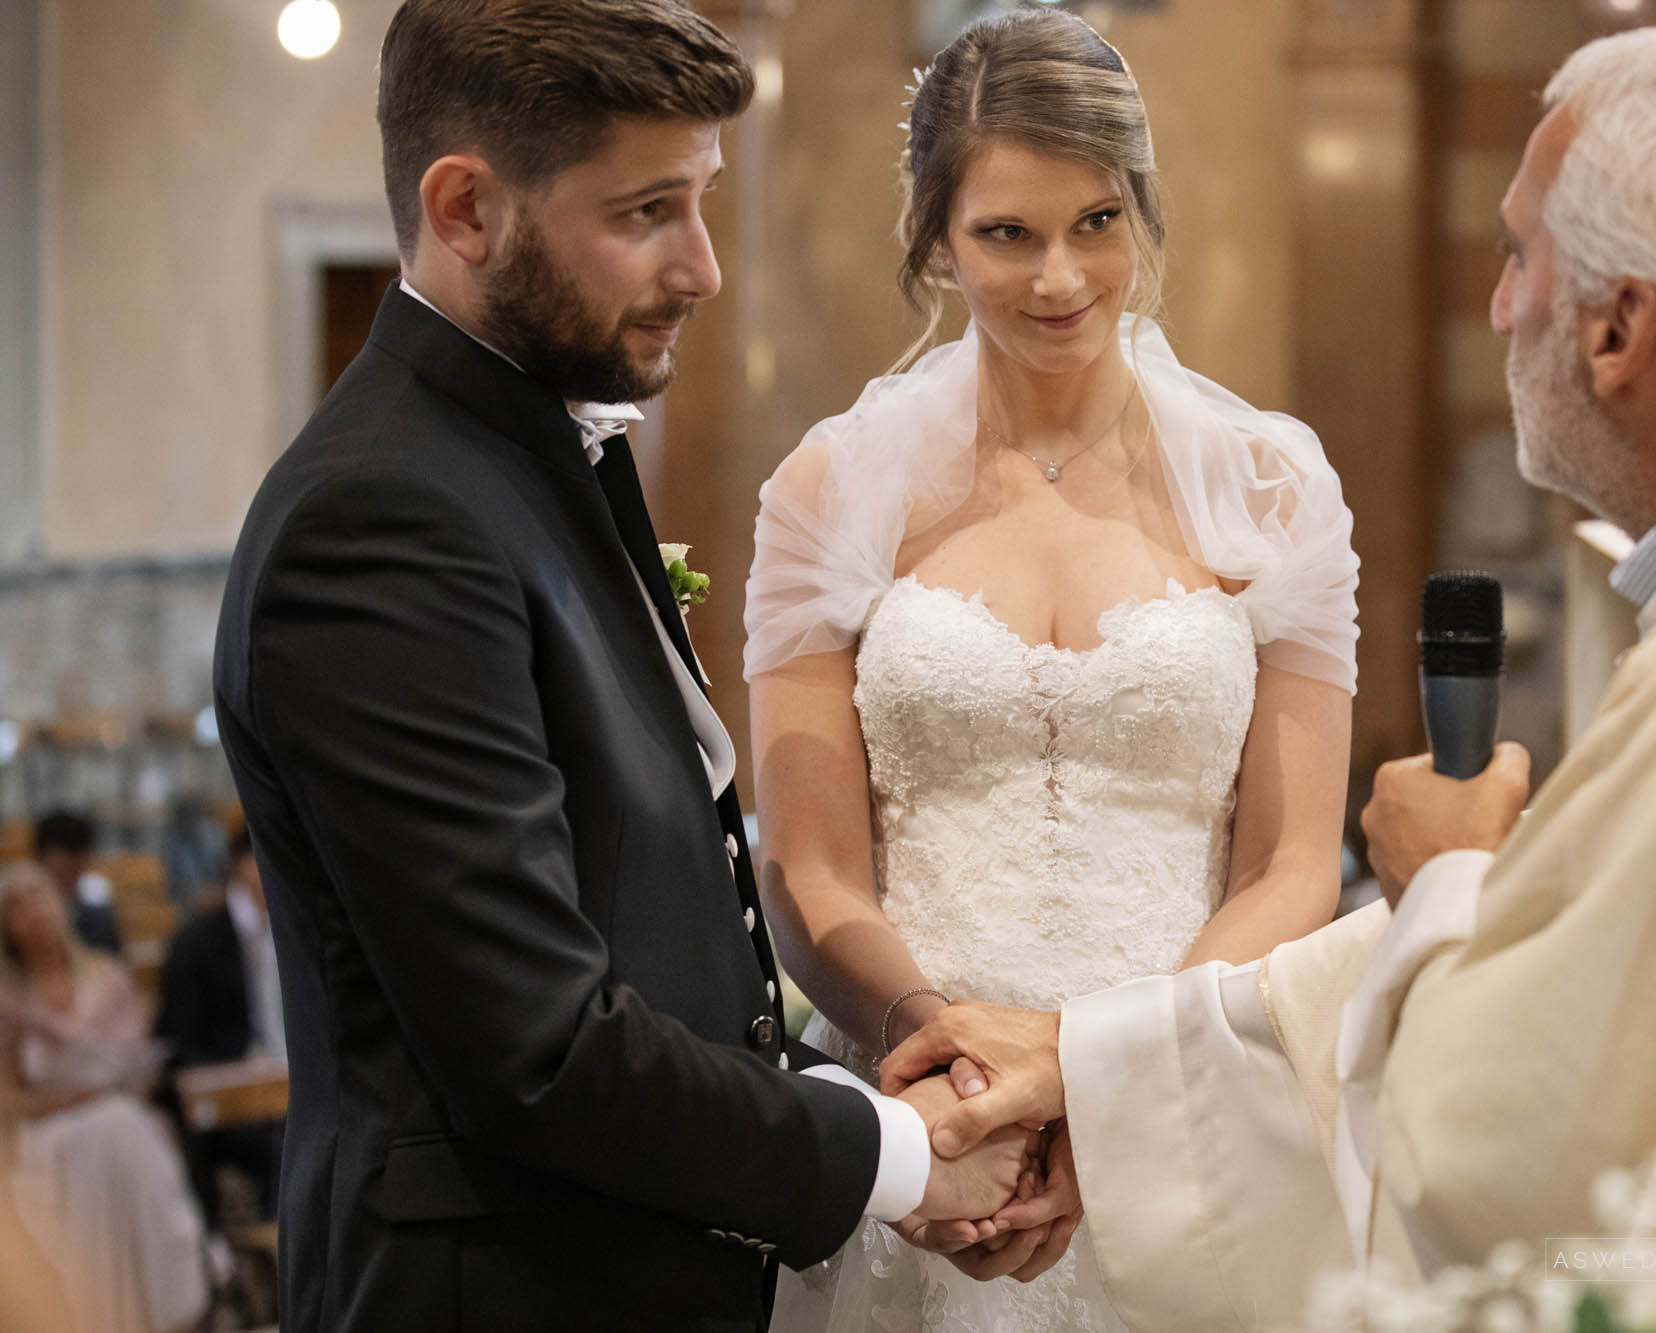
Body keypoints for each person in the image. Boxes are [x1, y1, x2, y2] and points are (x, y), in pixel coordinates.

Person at [882, 25, 1656, 1332]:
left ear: (1620, 330)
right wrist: (1096, 1067)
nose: (1499, 303)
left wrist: (1450, 869)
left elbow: (1502, 1146)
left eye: (1522, 256)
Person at [210, 4, 1031, 1330]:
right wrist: (892, 1157)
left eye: (701, 202)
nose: (703, 266)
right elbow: (533, 1044)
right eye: (647, 212)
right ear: (467, 207)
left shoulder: (529, 456)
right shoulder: (380, 522)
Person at [746, 9, 1359, 1328]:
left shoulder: (1274, 493)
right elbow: (809, 866)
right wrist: (957, 1065)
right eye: (1006, 234)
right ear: (933, 239)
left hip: (1190, 1105)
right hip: (931, 1120)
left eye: (1096, 223)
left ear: (1144, 214)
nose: (1060, 277)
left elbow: (1294, 865)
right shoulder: (827, 492)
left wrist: (1100, 1073)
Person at [0, 861, 209, 1333]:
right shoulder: (9, 1000)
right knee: (105, 1134)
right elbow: (8, 1098)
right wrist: (69, 1100)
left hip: (116, 1113)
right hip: (49, 1129)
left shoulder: (105, 976)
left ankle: (159, 1306)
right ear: (8, 926)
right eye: (20, 907)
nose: (34, 914)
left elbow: (139, 1068)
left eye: (40, 899)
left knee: (120, 1126)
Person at [156, 827, 285, 1225]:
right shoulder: (197, 941)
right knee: (284, 1148)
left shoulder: (297, 930)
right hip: (236, 1099)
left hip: (293, 1084)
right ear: (239, 866)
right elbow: (183, 1043)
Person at [33, 810, 120, 956]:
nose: (69, 875)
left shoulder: (97, 894)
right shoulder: (27, 902)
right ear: (41, 859)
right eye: (62, 870)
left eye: (74, 870)